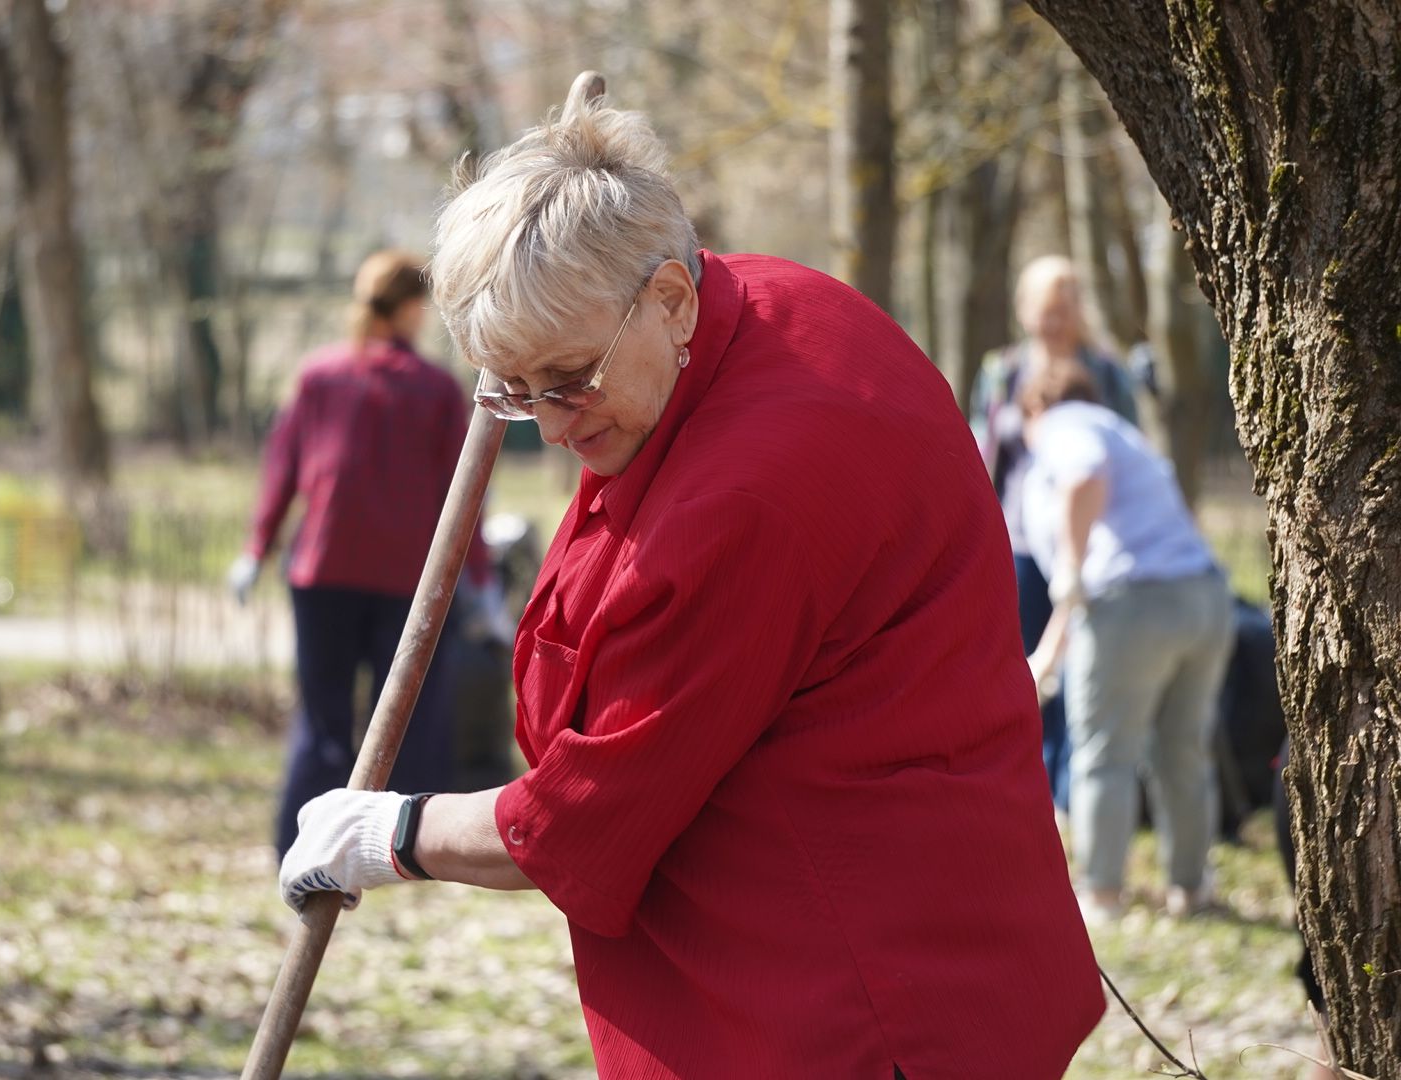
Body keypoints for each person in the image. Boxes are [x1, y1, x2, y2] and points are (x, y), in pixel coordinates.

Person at [278, 88, 1104, 1078]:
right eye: (512, 391)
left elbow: (588, 817)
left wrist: (397, 831)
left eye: (567, 377)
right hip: (924, 943)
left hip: (858, 1004)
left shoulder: (749, 495)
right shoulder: (754, 300)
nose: (549, 423)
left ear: (668, 300)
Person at [228, 250, 506, 858]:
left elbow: (284, 471)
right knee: (406, 723)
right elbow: (460, 497)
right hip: (406, 583)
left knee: (322, 720)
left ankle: (298, 844)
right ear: (410, 309)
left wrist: (258, 547)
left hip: (321, 572)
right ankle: (400, 851)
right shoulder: (434, 389)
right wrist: (481, 583)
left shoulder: (319, 376)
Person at [1020, 365, 1233, 925]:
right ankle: (1191, 888)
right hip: (1205, 597)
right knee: (1181, 750)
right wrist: (1050, 651)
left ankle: (1102, 893)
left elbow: (1084, 479)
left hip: (1134, 603)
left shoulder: (1065, 425)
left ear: (1033, 410)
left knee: (1102, 752)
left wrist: (1066, 569)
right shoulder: (1126, 434)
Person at [970, 255, 1140, 810]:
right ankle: (1027, 795)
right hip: (1019, 541)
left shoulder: (1106, 372)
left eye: (1064, 311)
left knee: (1083, 671)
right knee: (1022, 672)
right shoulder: (1002, 372)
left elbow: (1126, 444)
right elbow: (982, 450)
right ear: (1026, 313)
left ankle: (1071, 798)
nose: (1054, 323)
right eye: (1045, 312)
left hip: (1090, 546)